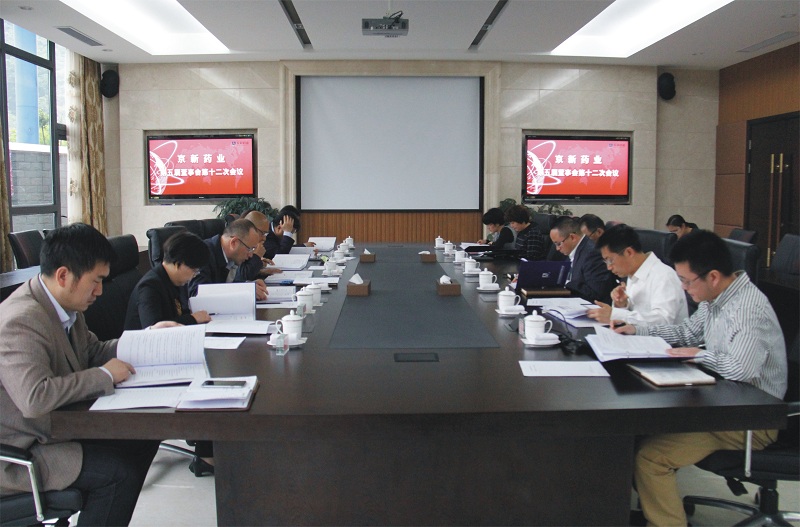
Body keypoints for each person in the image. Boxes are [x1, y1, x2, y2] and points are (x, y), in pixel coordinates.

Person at [616, 230, 787, 526]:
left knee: (651, 457)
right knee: (638, 431)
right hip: (723, 403)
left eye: (686, 281)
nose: (683, 288)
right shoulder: (715, 299)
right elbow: (687, 332)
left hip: (751, 419)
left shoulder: (747, 310)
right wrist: (637, 330)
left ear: (713, 276)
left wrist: (699, 355)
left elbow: (742, 369)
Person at [0, 223, 162, 526]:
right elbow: (35, 398)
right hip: (20, 452)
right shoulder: (21, 320)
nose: (100, 291)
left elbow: (94, 351)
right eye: (96, 281)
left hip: (54, 431)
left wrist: (150, 339)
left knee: (144, 438)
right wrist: (104, 376)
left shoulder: (64, 307)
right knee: (119, 474)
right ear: (64, 276)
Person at [587, 224, 688, 326]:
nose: (609, 267)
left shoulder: (664, 276)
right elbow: (635, 315)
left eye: (610, 260)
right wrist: (622, 305)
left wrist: (616, 315)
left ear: (629, 252)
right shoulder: (633, 273)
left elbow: (663, 322)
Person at [125, 231, 212, 330]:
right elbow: (155, 329)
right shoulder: (149, 287)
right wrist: (192, 319)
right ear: (178, 263)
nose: (194, 275)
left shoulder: (173, 280)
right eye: (194, 270)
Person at [188, 218, 268, 301]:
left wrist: (247, 286)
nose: (251, 255)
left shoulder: (230, 257)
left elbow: (225, 286)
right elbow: (196, 294)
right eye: (250, 249)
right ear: (234, 243)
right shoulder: (202, 253)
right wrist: (243, 289)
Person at [549, 215, 616, 303]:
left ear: (572, 237)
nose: (557, 249)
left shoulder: (592, 254)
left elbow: (596, 293)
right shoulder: (574, 250)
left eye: (558, 244)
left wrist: (567, 283)